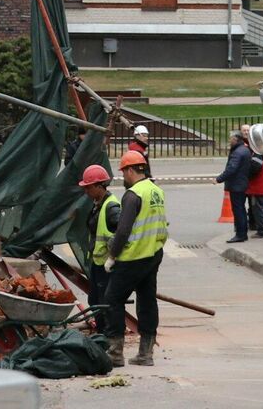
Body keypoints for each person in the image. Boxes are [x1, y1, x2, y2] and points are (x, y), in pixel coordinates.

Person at [102, 150, 167, 367]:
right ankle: (146, 354)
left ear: (130, 170)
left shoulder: (133, 195)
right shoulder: (156, 191)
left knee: (113, 299)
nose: (124, 178)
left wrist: (112, 256)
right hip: (153, 255)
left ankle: (115, 353)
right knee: (147, 301)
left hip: (132, 258)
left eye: (124, 172)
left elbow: (123, 231)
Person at [78, 164, 120, 320]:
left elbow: (122, 234)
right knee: (95, 300)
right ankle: (102, 334)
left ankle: (107, 335)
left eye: (88, 187)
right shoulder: (98, 205)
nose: (86, 191)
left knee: (104, 303)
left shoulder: (112, 207)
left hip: (106, 265)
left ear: (99, 186)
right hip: (98, 262)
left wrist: (113, 257)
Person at [215, 131, 262, 243]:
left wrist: (219, 179)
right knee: (240, 208)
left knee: (238, 210)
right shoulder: (245, 150)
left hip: (236, 184)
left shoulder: (237, 152)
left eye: (230, 138)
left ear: (236, 139)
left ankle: (240, 234)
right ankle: (242, 233)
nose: (229, 140)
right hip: (242, 183)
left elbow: (231, 168)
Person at [245, 127, 263, 237]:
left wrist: (246, 175)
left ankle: (262, 230)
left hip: (257, 185)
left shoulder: (259, 152)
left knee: (257, 208)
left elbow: (255, 167)